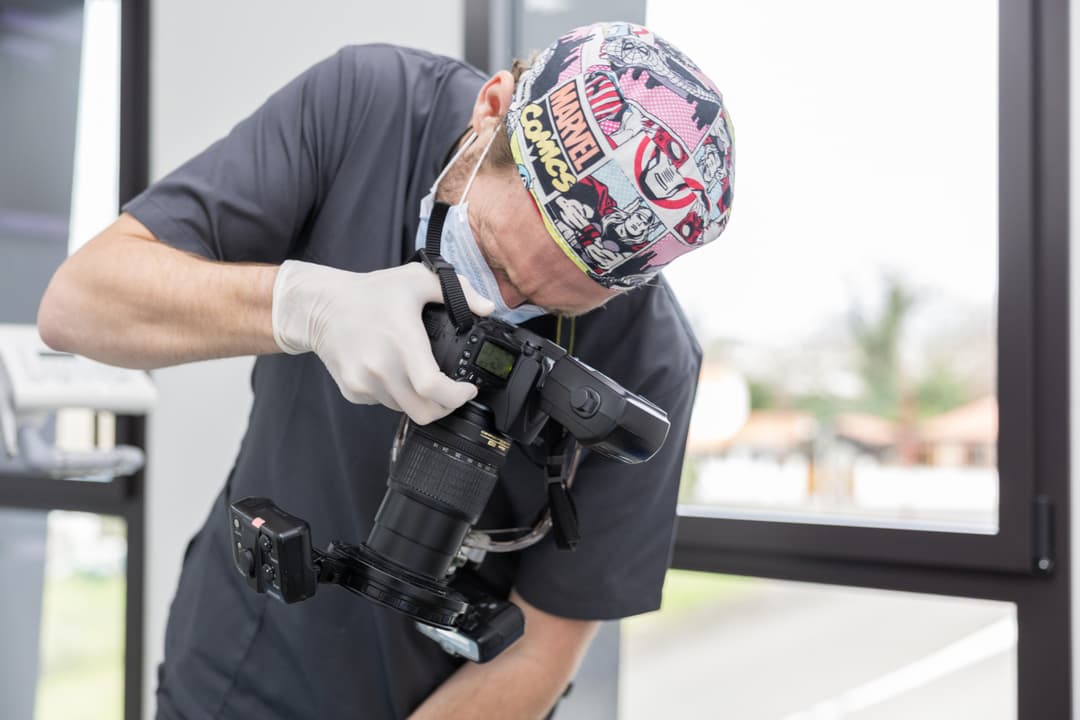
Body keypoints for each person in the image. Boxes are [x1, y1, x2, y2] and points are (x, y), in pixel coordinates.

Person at [38, 21, 734, 720]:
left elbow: (543, 648)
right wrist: (303, 306)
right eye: (494, 257)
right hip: (230, 675)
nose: (497, 305)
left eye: (548, 299)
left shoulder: (652, 360)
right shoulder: (371, 108)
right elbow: (80, 303)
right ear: (490, 109)